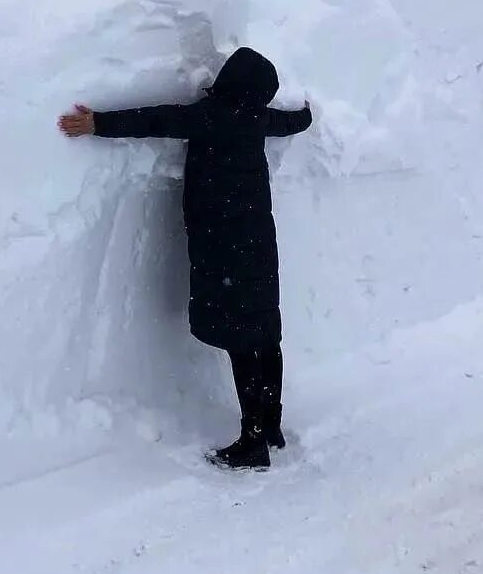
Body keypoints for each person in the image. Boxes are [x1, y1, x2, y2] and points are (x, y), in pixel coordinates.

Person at [58, 48, 312, 470]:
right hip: (258, 245)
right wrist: (306, 115)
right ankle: (269, 423)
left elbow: (155, 119)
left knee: (241, 341)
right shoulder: (257, 118)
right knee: (265, 333)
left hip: (223, 248)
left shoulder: (211, 116)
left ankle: (253, 443)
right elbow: (292, 123)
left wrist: (97, 123)